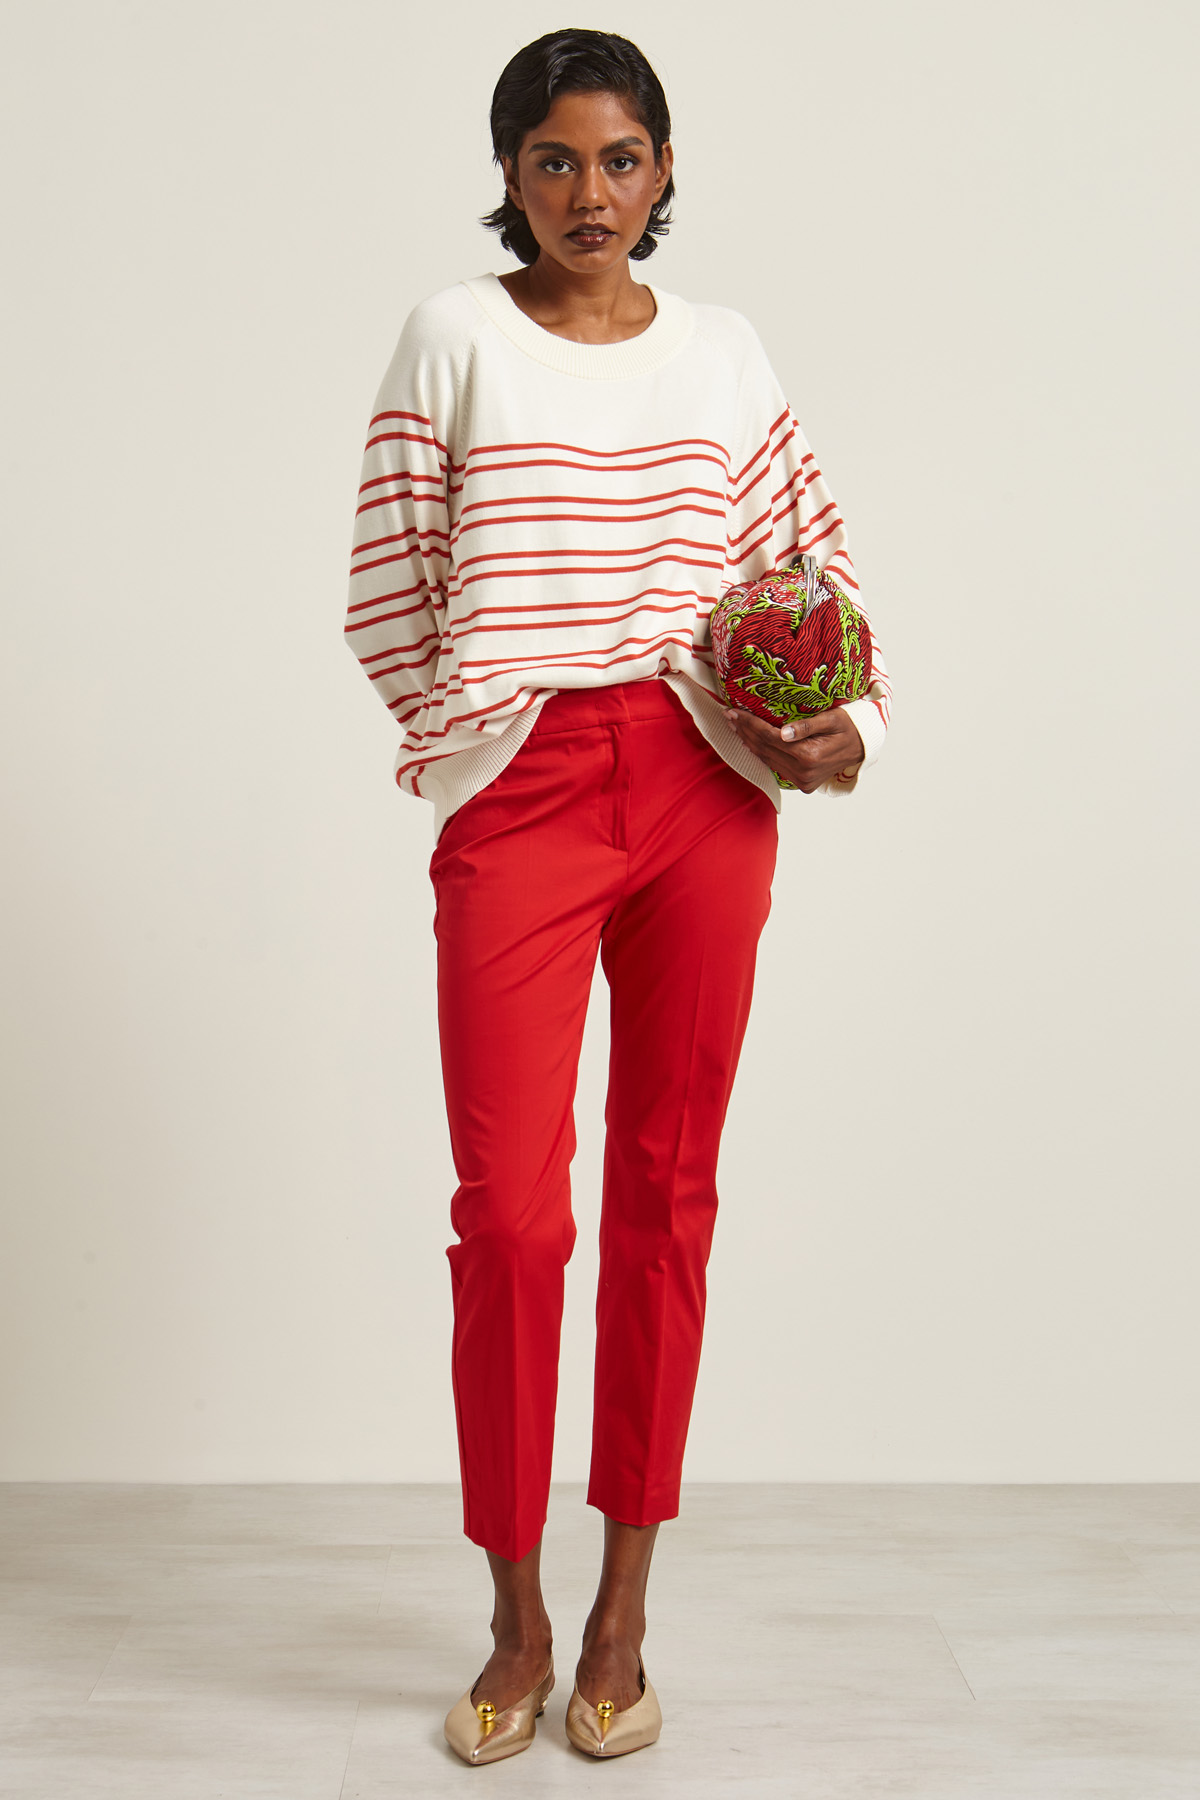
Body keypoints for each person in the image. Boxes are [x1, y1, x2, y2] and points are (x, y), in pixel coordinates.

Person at [344, 27, 892, 1766]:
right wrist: (476, 739)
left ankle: (622, 1620)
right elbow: (387, 593)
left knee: (667, 1195)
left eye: (624, 158)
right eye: (557, 159)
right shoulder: (453, 337)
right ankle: (514, 1619)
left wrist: (846, 729)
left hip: (704, 781)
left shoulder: (725, 354)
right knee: (511, 1218)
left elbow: (812, 564)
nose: (592, 191)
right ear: (509, 174)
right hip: (523, 790)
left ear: (666, 173)